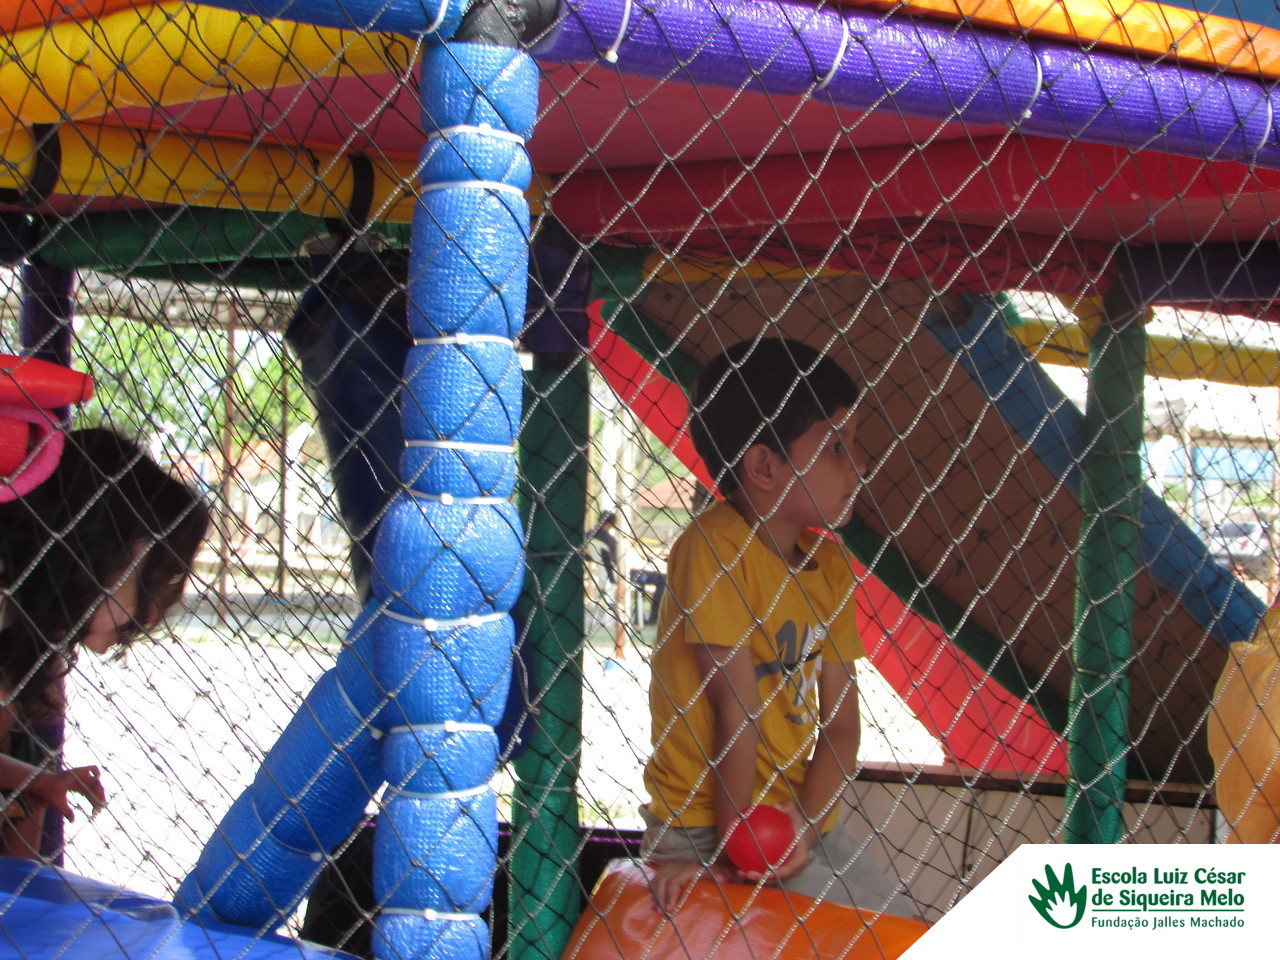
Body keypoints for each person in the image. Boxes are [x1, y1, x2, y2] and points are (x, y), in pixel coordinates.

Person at [641, 337, 909, 917]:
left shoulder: (829, 567)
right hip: (708, 828)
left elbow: (841, 727)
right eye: (836, 446)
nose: (860, 463)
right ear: (764, 466)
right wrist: (733, 852)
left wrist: (806, 826)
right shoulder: (715, 548)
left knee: (899, 925)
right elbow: (736, 710)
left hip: (792, 821)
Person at [0, 427, 210, 859]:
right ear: (107, 551)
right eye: (158, 577)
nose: (151, 615)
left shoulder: (31, 633)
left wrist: (37, 780)